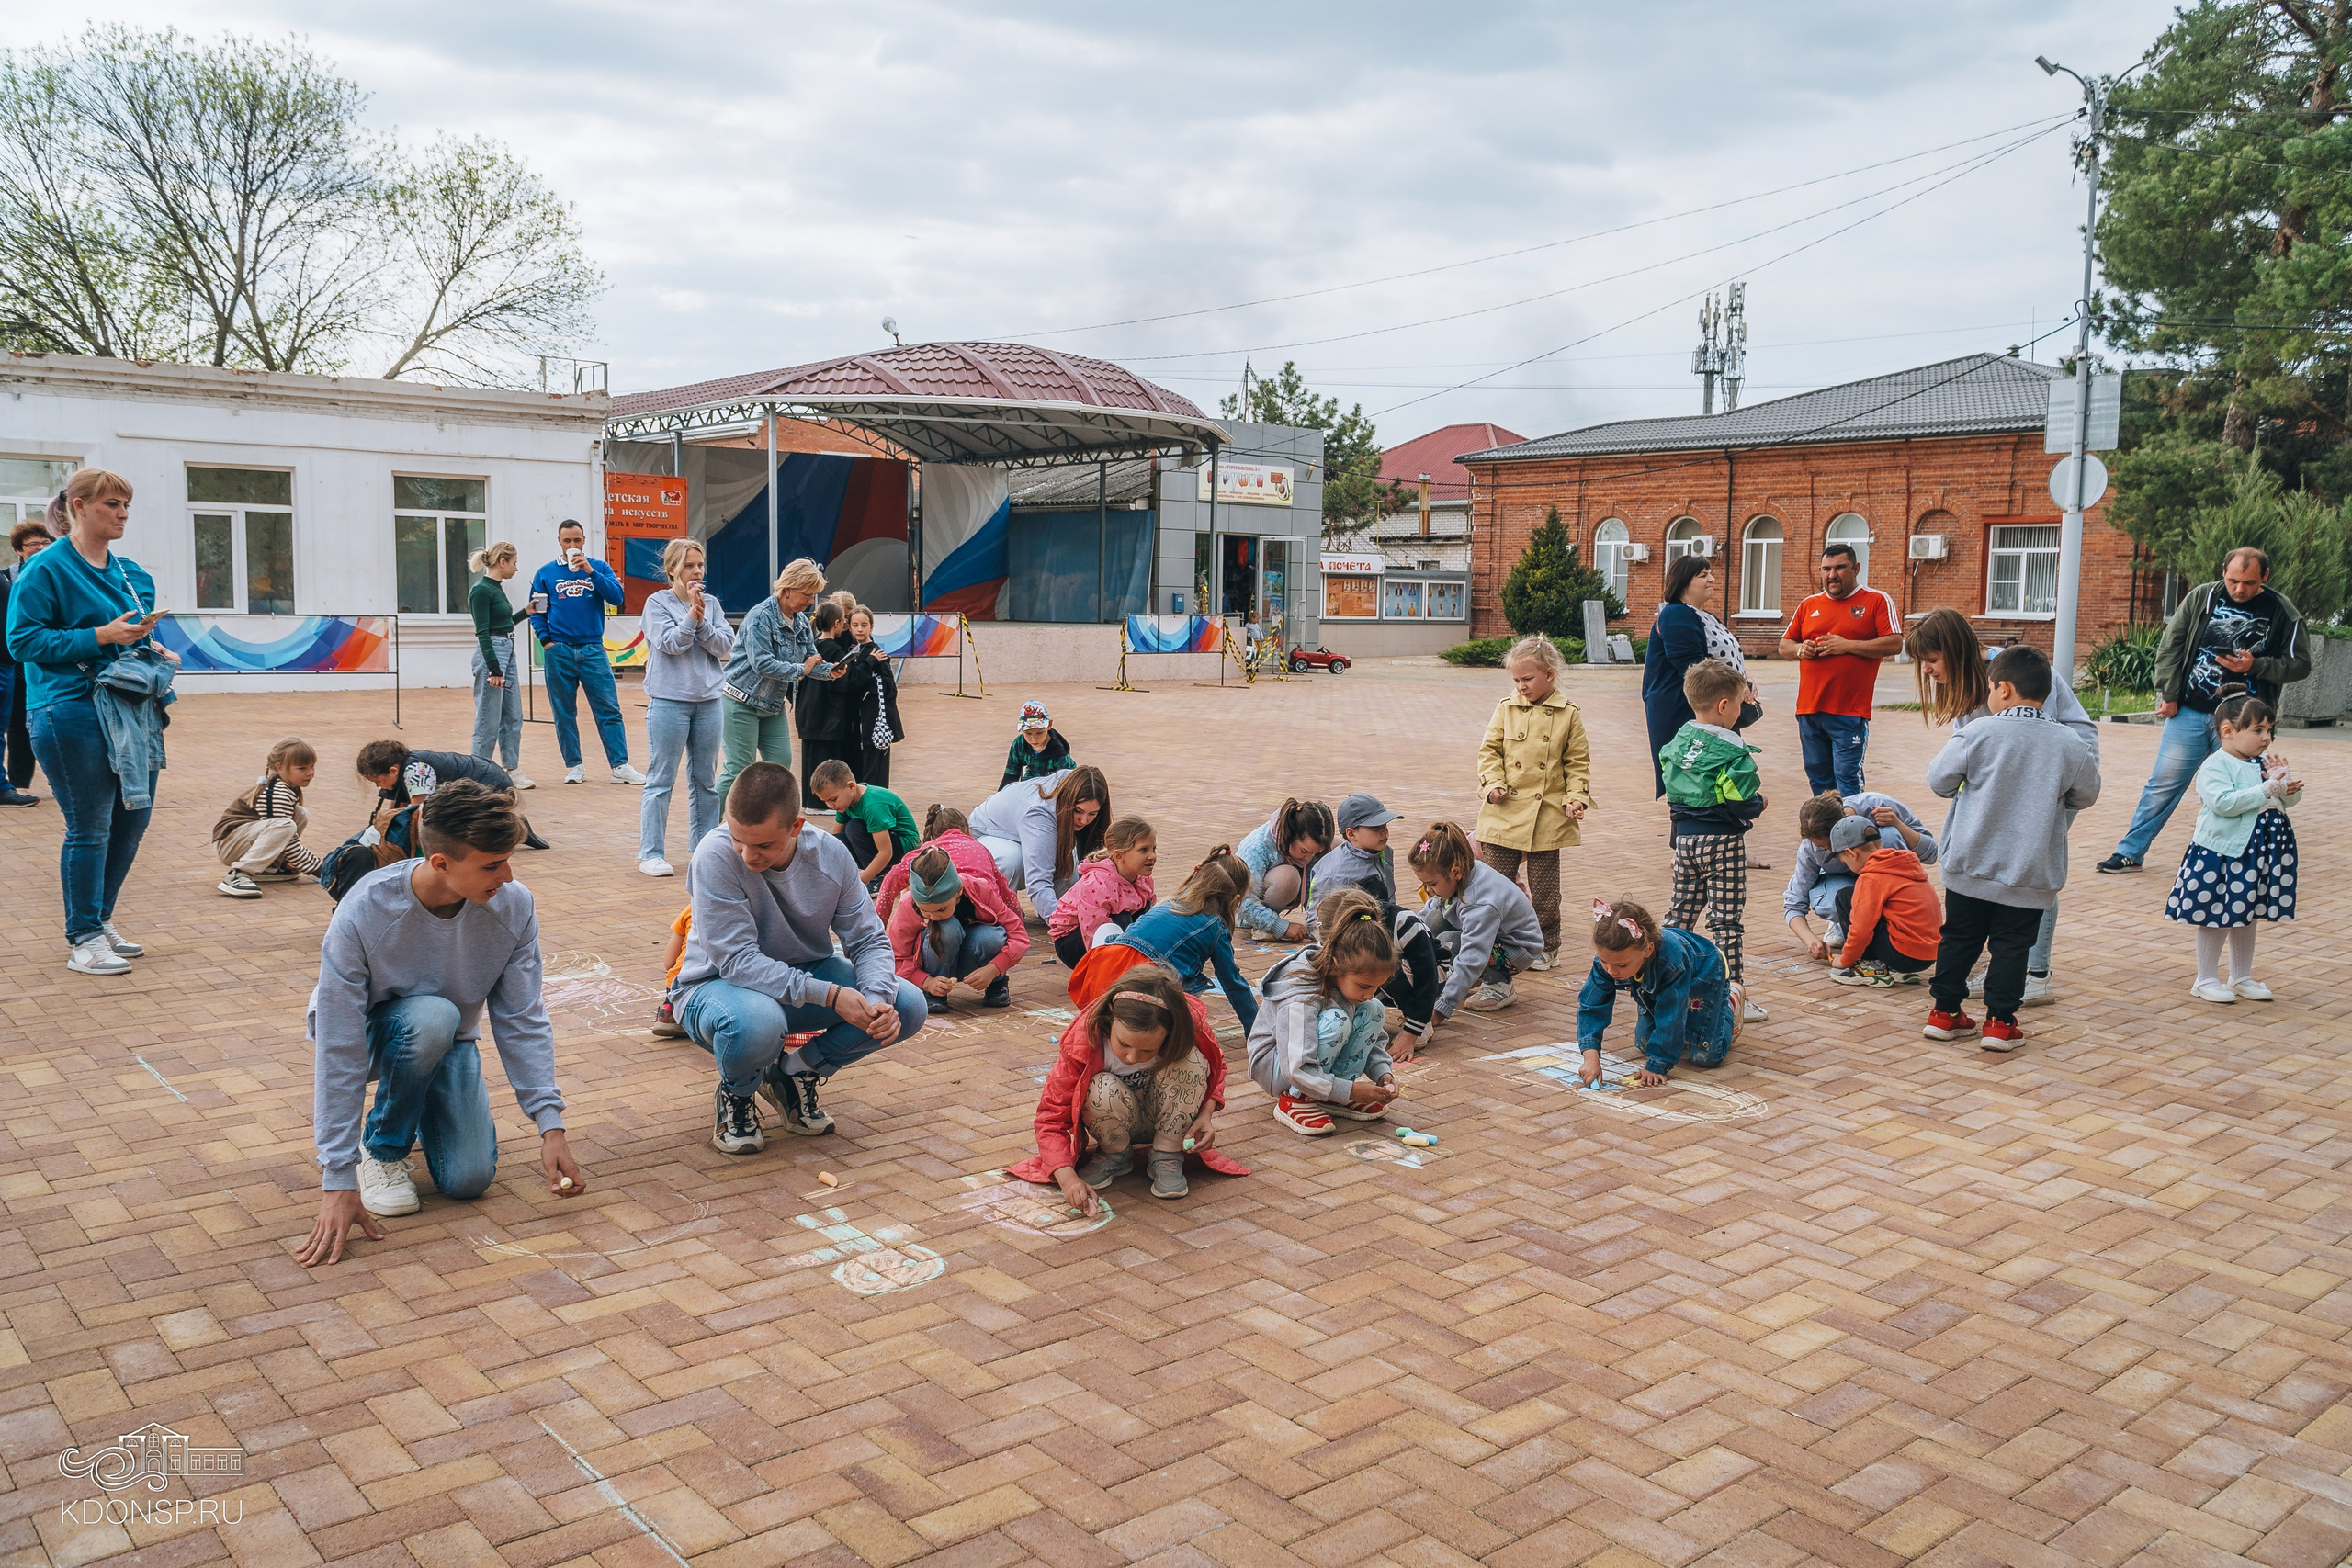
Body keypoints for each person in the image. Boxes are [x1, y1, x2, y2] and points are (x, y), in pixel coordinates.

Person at [296, 781, 587, 1265]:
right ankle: (382, 1149)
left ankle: (414, 1103)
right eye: (492, 865)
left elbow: (521, 1017)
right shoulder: (365, 910)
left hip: (447, 1038)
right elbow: (338, 1045)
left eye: (509, 859)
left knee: (468, 1181)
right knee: (433, 1015)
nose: (508, 876)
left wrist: (550, 1125)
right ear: (441, 863)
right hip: (376, 1037)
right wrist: (338, 1176)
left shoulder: (513, 904)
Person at [670, 762, 927, 1152]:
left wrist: (876, 1000)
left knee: (905, 1004)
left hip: (800, 975)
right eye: (738, 839)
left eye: (763, 845)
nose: (747, 855)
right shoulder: (714, 855)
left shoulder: (831, 855)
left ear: (796, 826)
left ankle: (793, 1073)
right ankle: (738, 1093)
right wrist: (831, 996)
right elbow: (737, 961)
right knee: (760, 1022)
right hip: (715, 986)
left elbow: (868, 939)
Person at [5, 467, 175, 976]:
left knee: (133, 820)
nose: (122, 515)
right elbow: (22, 642)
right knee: (90, 826)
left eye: (126, 505)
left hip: (129, 708)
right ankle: (83, 938)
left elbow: (131, 636)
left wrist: (153, 648)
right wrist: (100, 636)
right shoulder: (47, 568)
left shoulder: (131, 573)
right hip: (69, 709)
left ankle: (99, 921)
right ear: (78, 506)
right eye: (111, 505)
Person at [1906, 607, 2098, 1006]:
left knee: (2030, 875)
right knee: (1997, 875)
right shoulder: (1968, 690)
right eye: (1922, 662)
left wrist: (2051, 784)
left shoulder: (2020, 670)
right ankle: (2006, 967)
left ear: (1955, 651)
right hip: (2005, 790)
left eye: (1932, 659)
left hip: (2048, 788)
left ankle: (2035, 973)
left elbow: (2072, 735)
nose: (1927, 670)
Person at [2098, 547, 2311, 875]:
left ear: (2265, 577)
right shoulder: (2203, 597)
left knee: (2245, 789)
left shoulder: (2282, 610)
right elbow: (2172, 644)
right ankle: (2130, 852)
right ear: (2223, 572)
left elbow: (2300, 664)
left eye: (2249, 583)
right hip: (2191, 712)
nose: (2239, 589)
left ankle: (2244, 861)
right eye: (2233, 580)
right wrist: (2169, 694)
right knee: (2163, 784)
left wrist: (2256, 666)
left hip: (2244, 724)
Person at [1011, 965, 1247, 1209]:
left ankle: (1167, 1154)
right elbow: (1051, 1116)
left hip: (1169, 1123)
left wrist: (1206, 1114)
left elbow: (1216, 1068)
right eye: (1123, 1044)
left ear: (1170, 1033)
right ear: (1110, 1015)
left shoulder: (1190, 1031)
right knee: (1100, 1086)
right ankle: (1116, 1154)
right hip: (1114, 1126)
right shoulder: (1084, 1043)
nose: (1132, 1058)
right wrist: (1068, 1179)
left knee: (1193, 1061)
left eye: (1147, 1050)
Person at [2166, 685, 2301, 1004]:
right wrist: (2267, 789)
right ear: (2228, 731)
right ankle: (2205, 979)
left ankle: (2240, 977)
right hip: (2223, 853)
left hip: (2258, 854)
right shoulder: (2216, 765)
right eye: (2258, 730)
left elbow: (2285, 800)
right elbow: (2223, 803)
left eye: (2269, 730)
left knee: (2247, 913)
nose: (2266, 738)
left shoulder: (2260, 763)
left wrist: (2285, 785)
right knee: (2216, 915)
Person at [1657, 658, 1768, 1014]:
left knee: (1679, 916)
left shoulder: (1678, 742)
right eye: (1739, 703)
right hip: (1723, 843)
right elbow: (1740, 802)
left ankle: (1659, 982)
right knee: (1726, 923)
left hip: (1685, 842)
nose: (1741, 710)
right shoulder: (1733, 751)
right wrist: (1759, 803)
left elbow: (1673, 793)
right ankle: (1731, 1000)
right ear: (1723, 706)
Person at [1246, 886, 1402, 1137]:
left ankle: (1329, 1094)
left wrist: (1382, 1073)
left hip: (1304, 1064)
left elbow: (1372, 1043)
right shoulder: (1300, 992)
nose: (1369, 993)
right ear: (1337, 966)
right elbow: (1295, 1066)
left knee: (1373, 1009)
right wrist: (1351, 1092)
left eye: (1376, 987)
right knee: (1337, 1020)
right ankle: (1296, 1099)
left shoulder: (1347, 978)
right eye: (1364, 986)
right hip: (1279, 1067)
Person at [1476, 632, 1591, 964]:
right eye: (1516, 680)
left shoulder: (1569, 714)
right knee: (1494, 886)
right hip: (1504, 811)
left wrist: (1576, 797)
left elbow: (1577, 763)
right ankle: (1491, 946)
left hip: (1547, 815)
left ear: (1549, 674)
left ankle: (1546, 947)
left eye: (1527, 679)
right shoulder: (1506, 708)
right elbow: (1489, 751)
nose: (1521, 686)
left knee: (1544, 891)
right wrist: (1492, 783)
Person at [1068, 848, 1260, 1027]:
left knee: (1110, 932)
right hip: (1141, 992)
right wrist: (1256, 1028)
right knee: (1191, 980)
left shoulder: (1169, 904)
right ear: (1234, 899)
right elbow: (1232, 982)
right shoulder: (1216, 926)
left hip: (1098, 976)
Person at [637, 538, 734, 877]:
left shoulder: (712, 604)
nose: (696, 571)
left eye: (700, 565)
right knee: (661, 779)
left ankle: (704, 849)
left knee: (705, 780)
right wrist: (692, 617)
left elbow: (725, 645)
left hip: (708, 701)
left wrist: (702, 618)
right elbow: (670, 643)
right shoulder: (656, 603)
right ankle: (651, 853)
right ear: (672, 569)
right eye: (689, 565)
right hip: (668, 701)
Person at [1776, 542, 1902, 795]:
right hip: (1809, 711)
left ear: (1856, 568)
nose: (1832, 575)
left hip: (1849, 712)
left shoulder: (1876, 600)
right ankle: (1826, 822)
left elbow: (1895, 643)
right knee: (1819, 782)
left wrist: (1847, 645)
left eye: (1840, 568)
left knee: (1848, 781)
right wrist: (1801, 649)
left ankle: (1853, 821)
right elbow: (1784, 645)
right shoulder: (1809, 604)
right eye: (1826, 569)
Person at [527, 519, 644, 787]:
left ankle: (620, 766)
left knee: (609, 708)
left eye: (577, 540)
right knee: (564, 711)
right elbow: (537, 611)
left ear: (584, 541)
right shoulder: (545, 573)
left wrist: (590, 571)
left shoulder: (599, 567)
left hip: (593, 649)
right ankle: (574, 766)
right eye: (567, 540)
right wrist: (546, 641)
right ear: (559, 542)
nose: (572, 545)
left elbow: (616, 597)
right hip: (559, 650)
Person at [1577, 898, 1735, 1088]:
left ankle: (1729, 1005)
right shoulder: (1610, 959)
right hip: (1657, 981)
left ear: (1648, 949)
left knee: (1706, 1057)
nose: (1611, 970)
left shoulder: (1672, 963)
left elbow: (1672, 1015)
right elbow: (1592, 1006)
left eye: (1621, 965)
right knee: (1645, 1044)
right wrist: (1590, 1057)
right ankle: (1677, 1029)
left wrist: (1658, 1065)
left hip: (1705, 973)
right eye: (1604, 962)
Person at [718, 558, 835, 807]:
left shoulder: (802, 622)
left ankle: (767, 821)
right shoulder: (760, 617)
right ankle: (706, 824)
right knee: (739, 769)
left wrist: (831, 671)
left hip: (772, 705)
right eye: (807, 594)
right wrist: (803, 668)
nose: (810, 601)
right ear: (787, 589)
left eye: (813, 595)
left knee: (781, 765)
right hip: (740, 702)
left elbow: (810, 660)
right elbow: (762, 664)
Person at [1643, 554, 1759, 796]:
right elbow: (1692, 667)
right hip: (1686, 711)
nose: (1712, 579)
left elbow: (1724, 658)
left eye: (1710, 573)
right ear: (1684, 583)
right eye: (1703, 575)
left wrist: (1744, 681)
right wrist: (1736, 686)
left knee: (1713, 781)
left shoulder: (1702, 614)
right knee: (1693, 786)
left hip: (1713, 709)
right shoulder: (1676, 613)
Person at [1412, 820, 1545, 1019]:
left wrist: (1441, 1008)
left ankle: (1499, 984)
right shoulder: (1460, 874)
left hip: (1518, 950)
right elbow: (1428, 914)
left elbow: (1472, 956)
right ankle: (1466, 977)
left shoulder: (1481, 902)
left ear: (1455, 872)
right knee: (1433, 920)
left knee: (1449, 941)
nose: (1428, 890)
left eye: (1432, 884)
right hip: (1495, 937)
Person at [1782, 790, 1937, 960]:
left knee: (1890, 834)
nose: (1833, 853)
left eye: (1833, 846)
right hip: (1845, 884)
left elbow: (1931, 854)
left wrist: (1898, 825)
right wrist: (1811, 941)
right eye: (1823, 848)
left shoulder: (1876, 806)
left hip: (1885, 883)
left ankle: (1894, 923)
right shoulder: (1809, 848)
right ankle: (1843, 924)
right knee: (1840, 899)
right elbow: (1794, 903)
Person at [888, 842, 1026, 1010]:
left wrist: (994, 969)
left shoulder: (980, 889)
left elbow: (1018, 935)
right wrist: (926, 981)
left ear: (959, 891)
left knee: (994, 936)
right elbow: (896, 957)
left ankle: (996, 984)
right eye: (925, 911)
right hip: (933, 966)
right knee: (946, 927)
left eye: (941, 909)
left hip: (972, 959)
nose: (934, 917)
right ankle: (935, 994)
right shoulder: (908, 904)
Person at [968, 764, 1112, 921]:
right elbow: (1038, 881)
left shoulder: (1080, 783)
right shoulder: (1040, 815)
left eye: (1092, 813)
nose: (1084, 820)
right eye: (1078, 811)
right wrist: (1061, 924)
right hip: (990, 834)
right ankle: (1000, 911)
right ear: (1068, 801)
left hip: (1026, 827)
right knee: (1012, 861)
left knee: (1068, 891)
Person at [355, 739, 548, 850]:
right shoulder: (402, 770)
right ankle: (513, 825)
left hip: (492, 784)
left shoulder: (415, 771)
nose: (378, 787)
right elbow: (396, 812)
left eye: (377, 781)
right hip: (484, 778)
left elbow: (419, 814)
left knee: (461, 826)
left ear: (393, 771)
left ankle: (514, 827)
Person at [1823, 817, 1941, 987]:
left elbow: (1861, 929)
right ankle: (1899, 971)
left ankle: (1872, 967)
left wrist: (1845, 960)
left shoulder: (1871, 877)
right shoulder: (1902, 864)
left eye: (1844, 861)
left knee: (1845, 896)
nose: (1846, 865)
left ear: (1852, 853)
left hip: (1903, 954)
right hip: (1930, 954)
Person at [214, 736, 325, 897]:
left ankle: (268, 867)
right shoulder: (277, 792)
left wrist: (286, 862)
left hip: (239, 841)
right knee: (285, 825)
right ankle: (238, 874)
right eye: (302, 768)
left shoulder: (287, 786)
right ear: (280, 767)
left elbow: (282, 839)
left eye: (312, 767)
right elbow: (289, 842)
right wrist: (322, 870)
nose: (310, 773)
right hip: (229, 844)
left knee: (300, 813)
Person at [1046, 816, 1158, 965]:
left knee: (1148, 917)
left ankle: (1131, 960)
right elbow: (1093, 932)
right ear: (1119, 856)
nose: (1152, 856)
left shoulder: (1144, 880)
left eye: (1153, 849)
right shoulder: (1098, 884)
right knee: (1121, 918)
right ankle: (1113, 966)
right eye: (1143, 850)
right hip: (1072, 940)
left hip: (1107, 930)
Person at [0, 516, 56, 807]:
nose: (41, 547)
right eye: (34, 543)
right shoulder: (6, 577)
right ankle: (16, 784)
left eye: (45, 542)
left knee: (48, 723)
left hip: (45, 664)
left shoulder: (56, 574)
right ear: (19, 549)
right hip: (15, 665)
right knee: (17, 726)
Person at [466, 540, 531, 786]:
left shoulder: (496, 588)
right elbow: (482, 631)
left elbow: (503, 623)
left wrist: (526, 612)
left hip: (507, 650)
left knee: (513, 715)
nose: (516, 568)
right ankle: (478, 772)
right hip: (493, 654)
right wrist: (494, 668)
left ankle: (511, 769)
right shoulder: (481, 590)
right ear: (502, 562)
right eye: (514, 563)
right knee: (488, 717)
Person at [1358, 874, 1442, 1063]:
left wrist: (1411, 1034)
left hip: (1430, 976)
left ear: (1380, 923)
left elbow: (1427, 978)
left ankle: (1419, 1021)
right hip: (1384, 987)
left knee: (1388, 964)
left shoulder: (1406, 925)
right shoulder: (1344, 928)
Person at [808, 758, 920, 887]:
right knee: (837, 841)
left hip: (905, 848)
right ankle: (869, 872)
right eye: (825, 801)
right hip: (880, 846)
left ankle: (878, 879)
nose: (830, 805)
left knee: (854, 827)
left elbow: (886, 852)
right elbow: (835, 842)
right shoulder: (844, 802)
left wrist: (860, 882)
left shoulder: (872, 806)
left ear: (851, 786)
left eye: (833, 799)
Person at [1235, 798, 1333, 942]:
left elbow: (1311, 884)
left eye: (1315, 853)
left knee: (1335, 848)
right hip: (1245, 912)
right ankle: (1260, 925)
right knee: (1288, 877)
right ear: (1290, 835)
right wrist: (1282, 927)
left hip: (1275, 895)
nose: (1309, 858)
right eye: (1305, 851)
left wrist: (1316, 920)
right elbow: (1243, 902)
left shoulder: (1306, 846)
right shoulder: (1256, 848)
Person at [796, 600, 856, 815]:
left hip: (807, 712)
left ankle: (810, 801)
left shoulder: (811, 648)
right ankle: (821, 804)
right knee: (826, 761)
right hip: (828, 716)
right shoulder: (836, 651)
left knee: (810, 758)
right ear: (837, 623)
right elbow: (846, 683)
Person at [842, 605, 904, 785]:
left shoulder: (875, 653)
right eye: (855, 625)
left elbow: (889, 689)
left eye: (864, 625)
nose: (860, 630)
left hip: (873, 719)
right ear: (849, 627)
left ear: (872, 626)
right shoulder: (855, 649)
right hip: (862, 720)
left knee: (874, 767)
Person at [1309, 793, 1403, 904]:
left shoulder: (1383, 850)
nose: (1384, 831)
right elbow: (1320, 912)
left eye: (1385, 824)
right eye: (1375, 827)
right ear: (1351, 834)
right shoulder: (1336, 875)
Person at [1001, 700, 1075, 788]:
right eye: (1028, 733)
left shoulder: (1059, 750)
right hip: (1032, 778)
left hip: (1054, 782)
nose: (1033, 739)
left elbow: (1067, 783)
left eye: (1039, 733)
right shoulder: (1019, 744)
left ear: (1049, 725)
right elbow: (1010, 775)